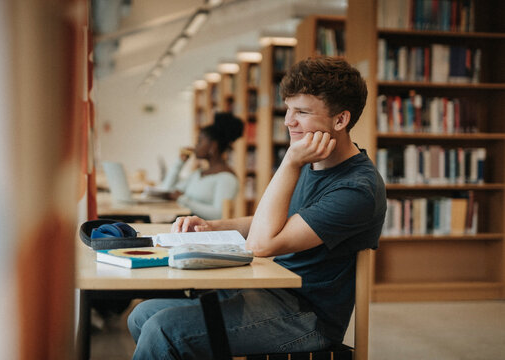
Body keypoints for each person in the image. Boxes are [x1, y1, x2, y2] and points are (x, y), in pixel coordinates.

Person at [127, 56, 387, 359]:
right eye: (289, 109)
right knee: (142, 314)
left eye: (301, 112)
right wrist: (213, 226)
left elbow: (263, 243)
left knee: (163, 329)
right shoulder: (310, 161)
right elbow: (273, 221)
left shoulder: (357, 188)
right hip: (265, 290)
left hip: (305, 316)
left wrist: (290, 161)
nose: (289, 121)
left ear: (340, 120)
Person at [158, 112, 244, 220]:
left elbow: (219, 214)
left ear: (212, 146)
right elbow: (166, 190)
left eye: (199, 141)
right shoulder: (198, 174)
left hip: (201, 232)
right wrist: (180, 162)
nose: (195, 146)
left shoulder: (227, 178)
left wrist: (182, 199)